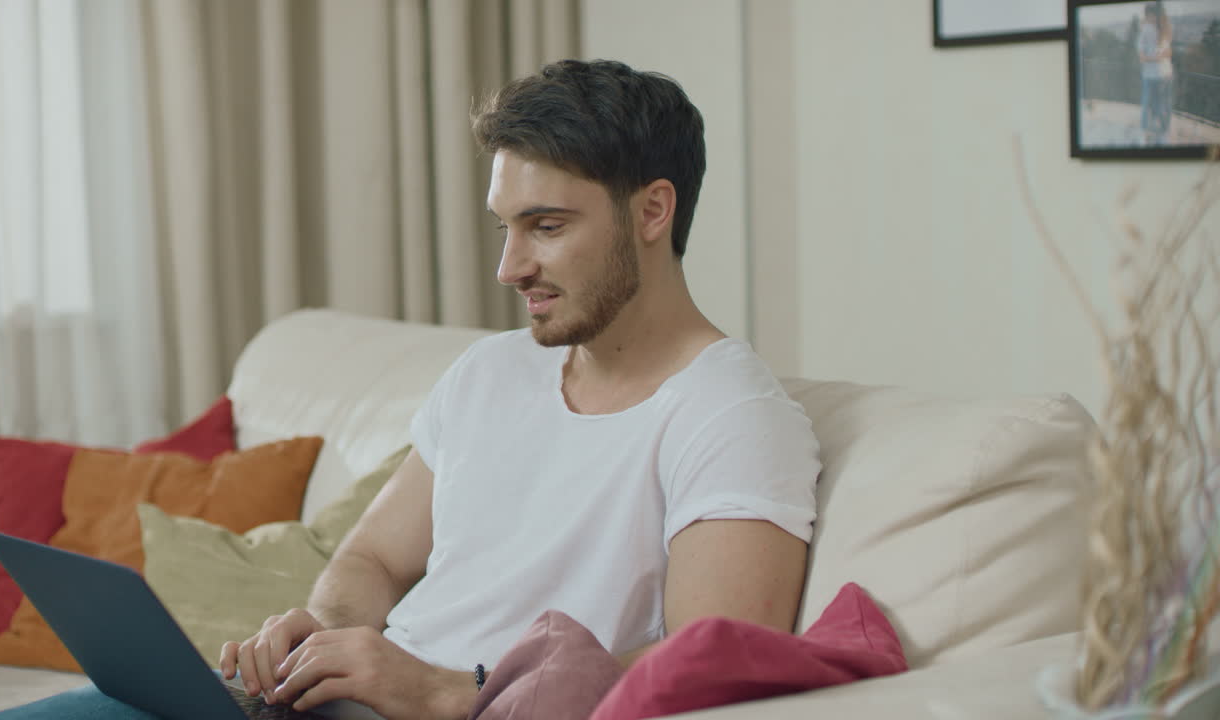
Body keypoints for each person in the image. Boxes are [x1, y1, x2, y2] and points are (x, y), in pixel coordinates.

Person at [219, 59, 822, 720]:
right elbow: (373, 558)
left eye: (547, 226)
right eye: (505, 227)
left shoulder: (732, 417)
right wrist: (321, 636)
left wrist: (439, 689)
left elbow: (710, 665)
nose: (510, 268)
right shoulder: (490, 371)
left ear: (653, 211)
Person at [1138, 2, 1174, 145]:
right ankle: (1146, 132)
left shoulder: (1164, 30)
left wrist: (1154, 58)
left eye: (1153, 15)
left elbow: (1169, 52)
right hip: (1150, 76)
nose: (1151, 17)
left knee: (1163, 105)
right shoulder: (1145, 31)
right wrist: (1158, 58)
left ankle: (1164, 132)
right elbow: (1141, 57)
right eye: (1149, 15)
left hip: (1165, 75)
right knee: (1148, 104)